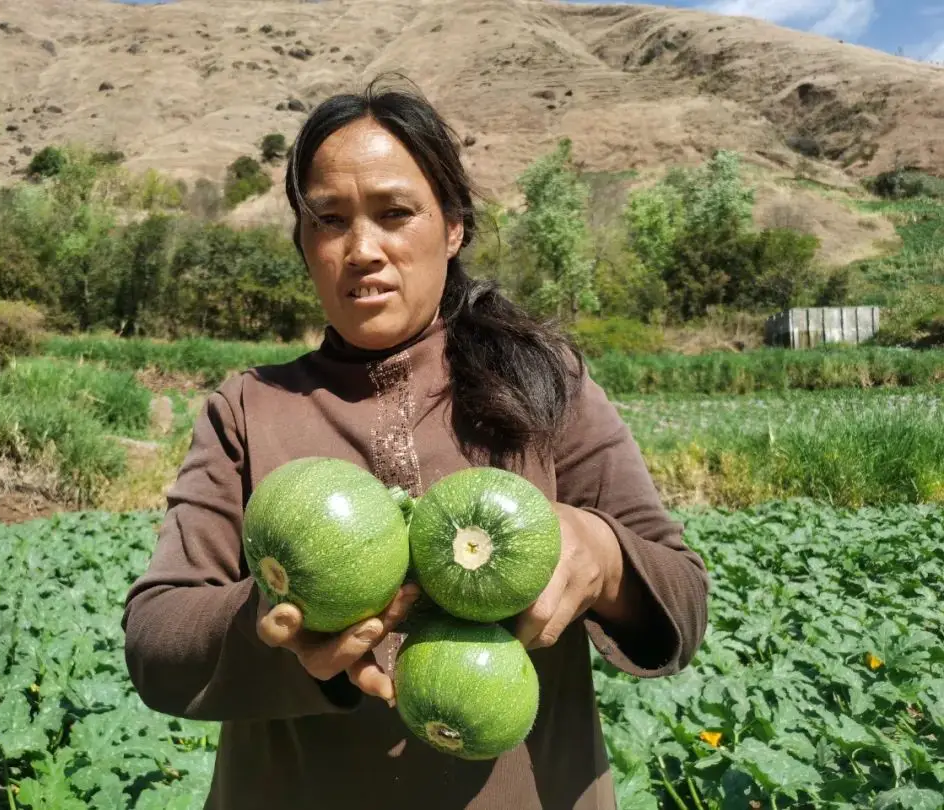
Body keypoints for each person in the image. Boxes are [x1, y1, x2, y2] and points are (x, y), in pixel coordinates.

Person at [122, 76, 710, 810]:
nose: (362, 249)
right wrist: (271, 629)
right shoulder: (248, 408)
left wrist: (603, 557)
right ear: (304, 243)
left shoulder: (544, 380)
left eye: (395, 213)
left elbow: (683, 599)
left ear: (453, 225)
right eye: (329, 219)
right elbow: (156, 643)